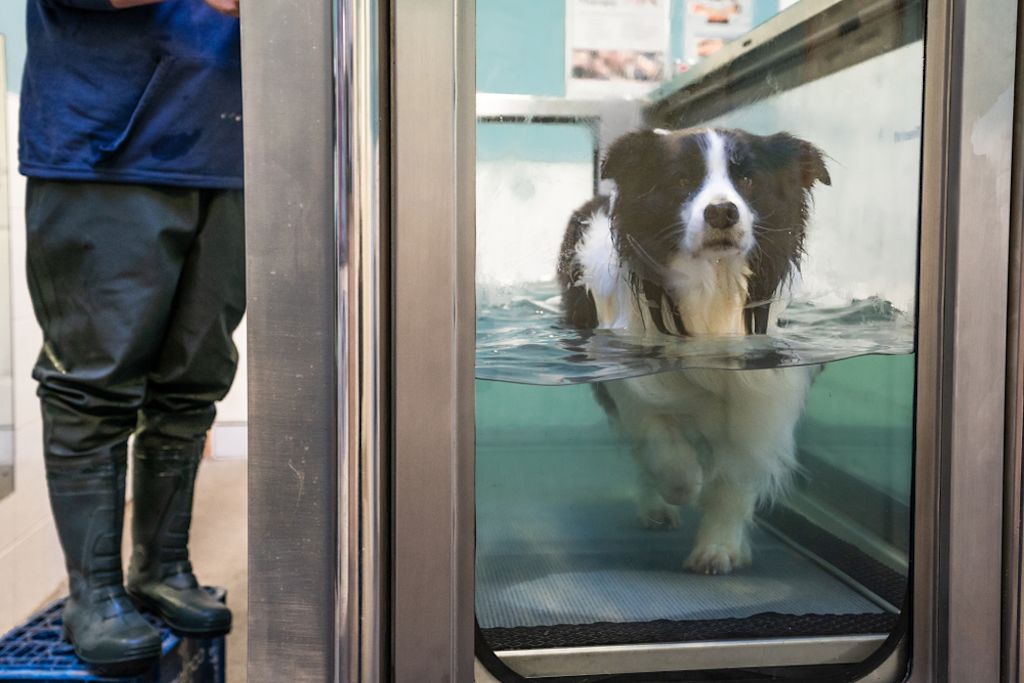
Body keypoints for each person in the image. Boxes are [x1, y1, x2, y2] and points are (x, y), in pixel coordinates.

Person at [20, 0, 243, 672]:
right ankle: (91, 592)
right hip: (106, 141)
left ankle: (161, 565)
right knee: (93, 383)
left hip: (224, 146)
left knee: (194, 377)